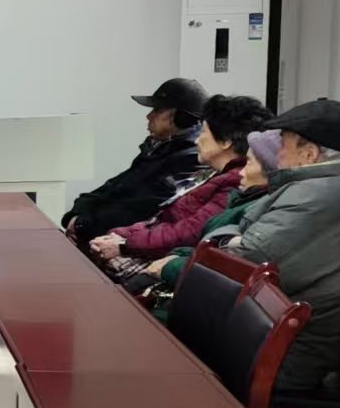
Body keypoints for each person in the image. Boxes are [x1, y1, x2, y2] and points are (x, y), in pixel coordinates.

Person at [215, 98, 340, 398]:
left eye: (283, 145)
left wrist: (228, 238)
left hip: (281, 356)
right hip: (273, 336)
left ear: (309, 154)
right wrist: (234, 236)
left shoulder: (319, 201)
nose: (277, 155)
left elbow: (234, 266)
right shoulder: (335, 190)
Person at [88, 93, 269, 274]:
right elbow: (164, 218)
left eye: (203, 133)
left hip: (164, 258)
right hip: (150, 246)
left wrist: (125, 244)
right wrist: (122, 234)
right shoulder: (214, 173)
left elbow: (189, 232)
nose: (197, 140)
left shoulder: (235, 182)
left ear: (226, 142)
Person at [135, 129, 282, 302]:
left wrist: (170, 264)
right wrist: (178, 254)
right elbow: (204, 244)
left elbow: (220, 263)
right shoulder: (242, 198)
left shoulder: (251, 203)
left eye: (249, 163)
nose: (241, 172)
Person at [63, 78, 207, 240]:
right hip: (103, 233)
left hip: (127, 240)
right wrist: (77, 213)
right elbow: (115, 187)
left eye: (157, 110)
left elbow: (141, 208)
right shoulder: (158, 148)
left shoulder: (191, 160)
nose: (149, 116)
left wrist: (83, 224)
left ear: (181, 117)